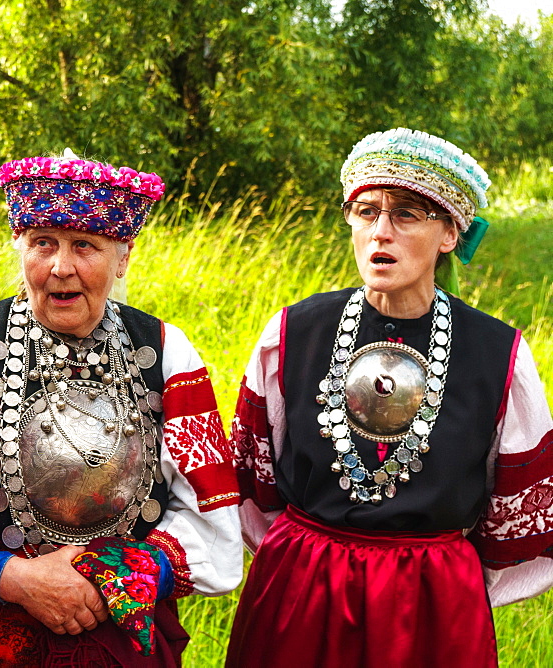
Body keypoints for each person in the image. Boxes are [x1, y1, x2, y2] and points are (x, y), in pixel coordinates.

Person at [0, 151, 242, 666]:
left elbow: (212, 523)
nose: (60, 267)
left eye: (84, 246)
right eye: (42, 243)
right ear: (19, 249)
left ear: (123, 257)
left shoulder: (166, 352)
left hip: (115, 631)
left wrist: (119, 579)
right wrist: (17, 578)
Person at [227, 128, 553, 667]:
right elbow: (254, 478)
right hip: (302, 591)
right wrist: (310, 557)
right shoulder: (292, 335)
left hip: (431, 603)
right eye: (365, 211)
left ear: (449, 232)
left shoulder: (500, 355)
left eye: (406, 214)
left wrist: (450, 583)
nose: (381, 231)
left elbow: (516, 504)